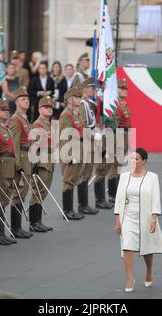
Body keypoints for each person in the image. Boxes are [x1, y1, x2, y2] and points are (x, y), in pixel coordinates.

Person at [114, 148, 162, 293]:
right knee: (127, 247)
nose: (133, 162)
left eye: (136, 159)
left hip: (145, 217)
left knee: (147, 248)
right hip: (127, 217)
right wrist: (118, 220)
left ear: (143, 161)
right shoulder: (124, 177)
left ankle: (149, 270)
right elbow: (119, 200)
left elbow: (156, 198)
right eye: (131, 159)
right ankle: (130, 278)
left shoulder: (152, 177)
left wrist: (154, 218)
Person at [0, 98, 17, 245]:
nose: (6, 112)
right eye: (2, 110)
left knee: (4, 200)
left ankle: (2, 232)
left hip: (9, 169)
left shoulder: (5, 127)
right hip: (1, 170)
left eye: (7, 109)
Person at [8, 87, 34, 238]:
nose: (27, 101)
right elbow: (14, 145)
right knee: (18, 193)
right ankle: (15, 228)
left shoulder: (24, 118)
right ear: (17, 102)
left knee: (23, 193)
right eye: (23, 99)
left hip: (28, 157)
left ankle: (17, 227)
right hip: (22, 159)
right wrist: (17, 165)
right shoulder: (15, 120)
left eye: (28, 99)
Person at [29, 96, 55, 232]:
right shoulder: (37, 124)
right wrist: (35, 163)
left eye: (50, 107)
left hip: (49, 159)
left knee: (44, 191)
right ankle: (34, 222)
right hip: (42, 160)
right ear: (39, 109)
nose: (49, 109)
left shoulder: (48, 124)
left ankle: (38, 220)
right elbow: (34, 145)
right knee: (38, 191)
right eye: (46, 107)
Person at [59, 87, 86, 221]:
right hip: (70, 150)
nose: (80, 99)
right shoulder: (66, 115)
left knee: (73, 179)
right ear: (70, 99)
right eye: (77, 97)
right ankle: (67, 210)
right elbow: (64, 136)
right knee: (68, 180)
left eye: (80, 96)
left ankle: (71, 209)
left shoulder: (76, 114)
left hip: (78, 149)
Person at [76, 78, 99, 215]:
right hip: (86, 142)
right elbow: (83, 124)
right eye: (90, 87)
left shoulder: (88, 103)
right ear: (84, 89)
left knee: (88, 172)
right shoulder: (83, 104)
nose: (93, 90)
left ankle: (85, 204)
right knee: (84, 174)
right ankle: (82, 204)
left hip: (90, 141)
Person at [108, 78, 132, 204]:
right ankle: (112, 195)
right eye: (121, 88)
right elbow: (114, 123)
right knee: (114, 166)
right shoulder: (116, 105)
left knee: (120, 165)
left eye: (125, 88)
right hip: (119, 135)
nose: (124, 91)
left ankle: (116, 193)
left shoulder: (123, 104)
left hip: (125, 134)